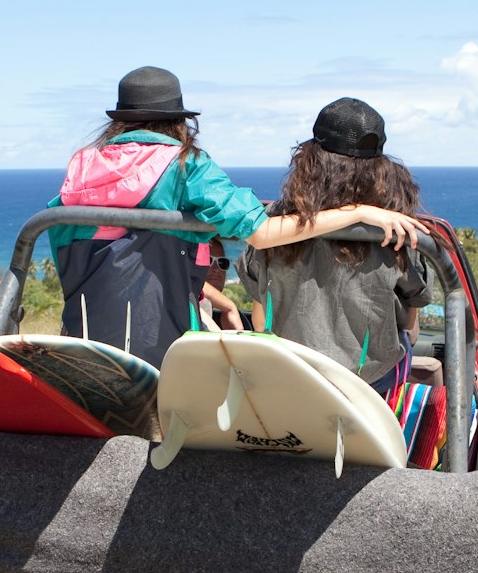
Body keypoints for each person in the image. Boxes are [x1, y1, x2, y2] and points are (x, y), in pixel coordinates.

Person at [47, 68, 422, 368]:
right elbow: (258, 231)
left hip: (84, 336)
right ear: (180, 122)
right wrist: (355, 212)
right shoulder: (184, 165)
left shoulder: (81, 168)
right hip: (159, 339)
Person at [237, 97, 430, 395]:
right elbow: (410, 326)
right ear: (381, 168)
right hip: (366, 386)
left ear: (311, 159)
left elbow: (261, 321)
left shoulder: (276, 222)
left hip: (290, 376)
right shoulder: (395, 229)